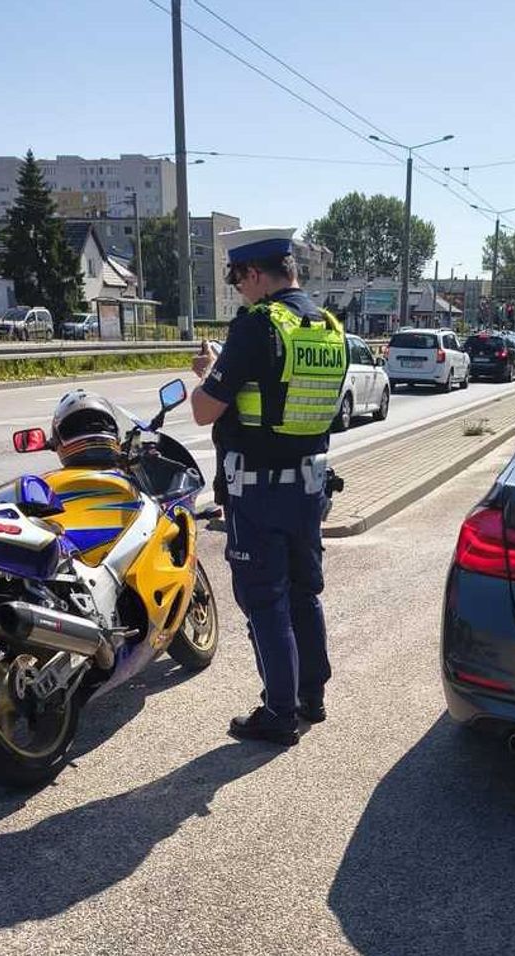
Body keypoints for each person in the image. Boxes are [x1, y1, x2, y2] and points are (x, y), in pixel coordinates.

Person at [190, 227, 347, 746]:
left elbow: (203, 409)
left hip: (257, 491)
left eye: (238, 279)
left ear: (255, 274)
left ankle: (278, 713)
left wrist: (209, 372)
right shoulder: (326, 326)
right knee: (305, 592)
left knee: (265, 600)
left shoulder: (258, 325)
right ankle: (312, 697)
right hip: (308, 487)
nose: (238, 289)